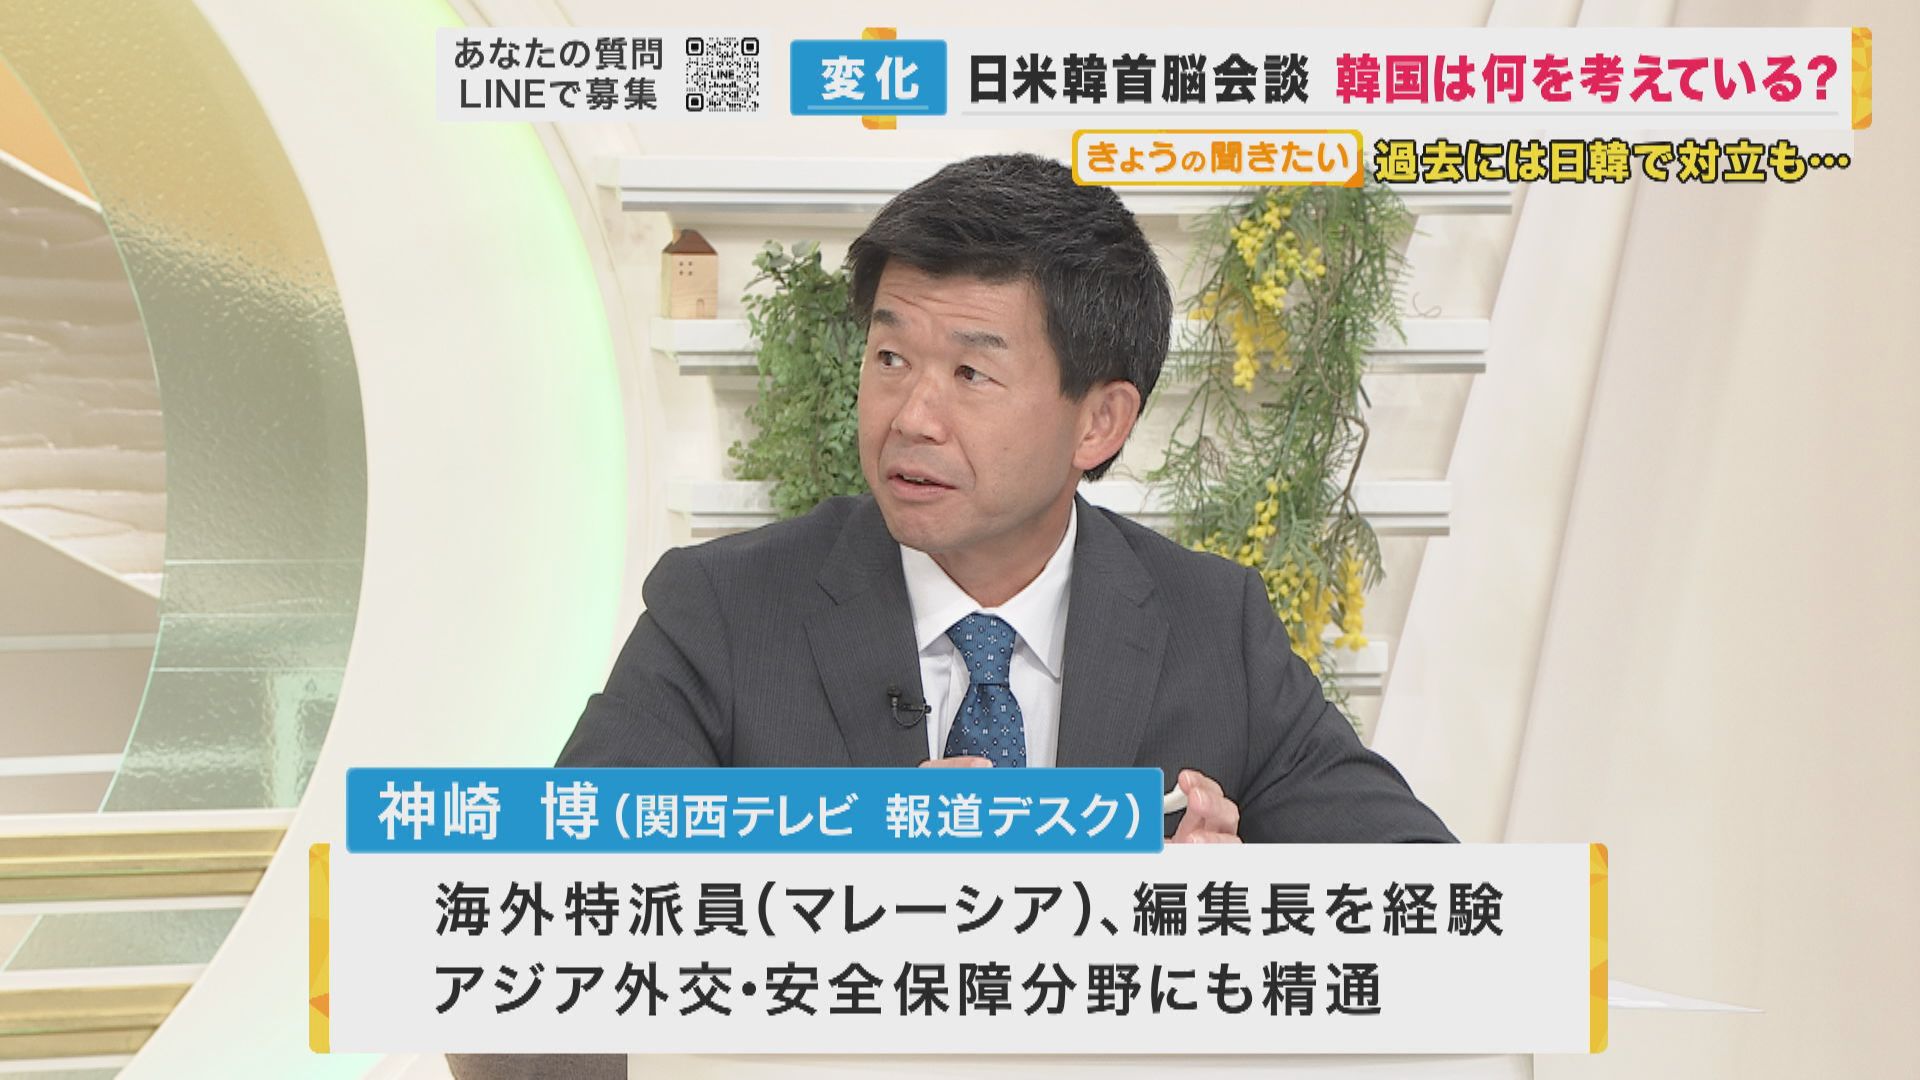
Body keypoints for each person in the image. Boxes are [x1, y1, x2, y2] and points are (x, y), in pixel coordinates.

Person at [448, 151, 1453, 1080]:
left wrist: (1235, 921)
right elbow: (503, 991)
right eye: (890, 358)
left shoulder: (1212, 626)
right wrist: (839, 901)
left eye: (971, 373)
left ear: (1100, 421)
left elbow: (1446, 927)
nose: (911, 416)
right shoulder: (724, 615)